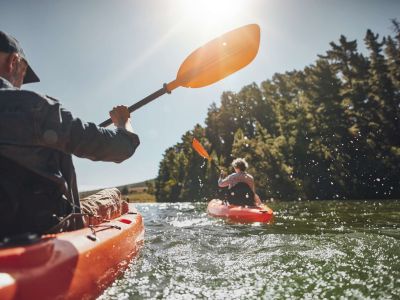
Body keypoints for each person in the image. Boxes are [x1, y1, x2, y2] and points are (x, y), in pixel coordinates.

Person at [0, 31, 140, 238]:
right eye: (23, 73)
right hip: (47, 228)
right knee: (115, 195)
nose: (20, 83)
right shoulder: (37, 108)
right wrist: (123, 123)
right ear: (14, 61)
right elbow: (122, 148)